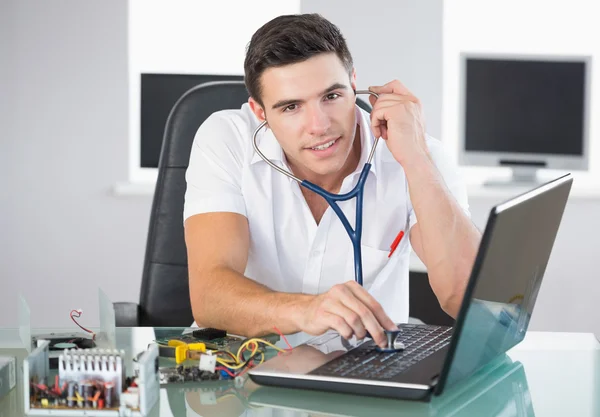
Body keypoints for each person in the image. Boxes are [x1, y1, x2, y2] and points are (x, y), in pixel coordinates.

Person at [183, 13, 481, 349]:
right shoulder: (226, 139)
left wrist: (416, 159)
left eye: (332, 96)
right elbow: (210, 295)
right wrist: (308, 309)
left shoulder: (421, 156)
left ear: (354, 84)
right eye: (291, 107)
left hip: (362, 376)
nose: (319, 125)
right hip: (244, 371)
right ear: (260, 112)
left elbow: (468, 299)